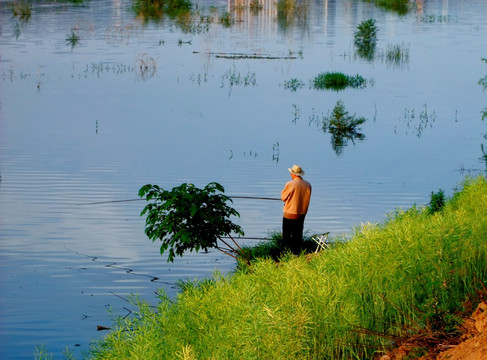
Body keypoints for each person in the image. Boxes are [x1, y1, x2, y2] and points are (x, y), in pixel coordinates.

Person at [281, 164, 312, 254]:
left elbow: (283, 197)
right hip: (301, 213)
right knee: (297, 234)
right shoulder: (308, 185)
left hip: (289, 213)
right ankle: (297, 253)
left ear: (293, 174)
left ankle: (286, 253)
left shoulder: (290, 184)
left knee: (286, 235)